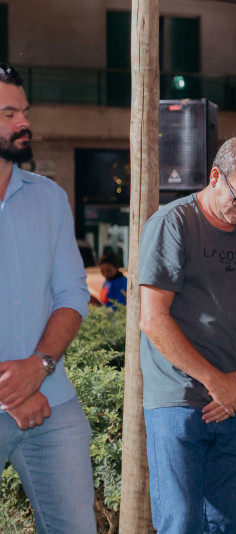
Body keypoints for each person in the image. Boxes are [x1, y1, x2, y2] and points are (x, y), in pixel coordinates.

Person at [138, 138, 236, 534]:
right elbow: (153, 319)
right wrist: (216, 382)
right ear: (215, 176)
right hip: (179, 400)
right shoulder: (173, 223)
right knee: (180, 522)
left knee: (225, 524)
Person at [0, 63, 96, 533]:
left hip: (51, 401)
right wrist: (11, 394)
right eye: (8, 114)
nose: (24, 123)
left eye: (25, 111)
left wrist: (38, 368)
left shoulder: (50, 197)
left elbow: (72, 292)